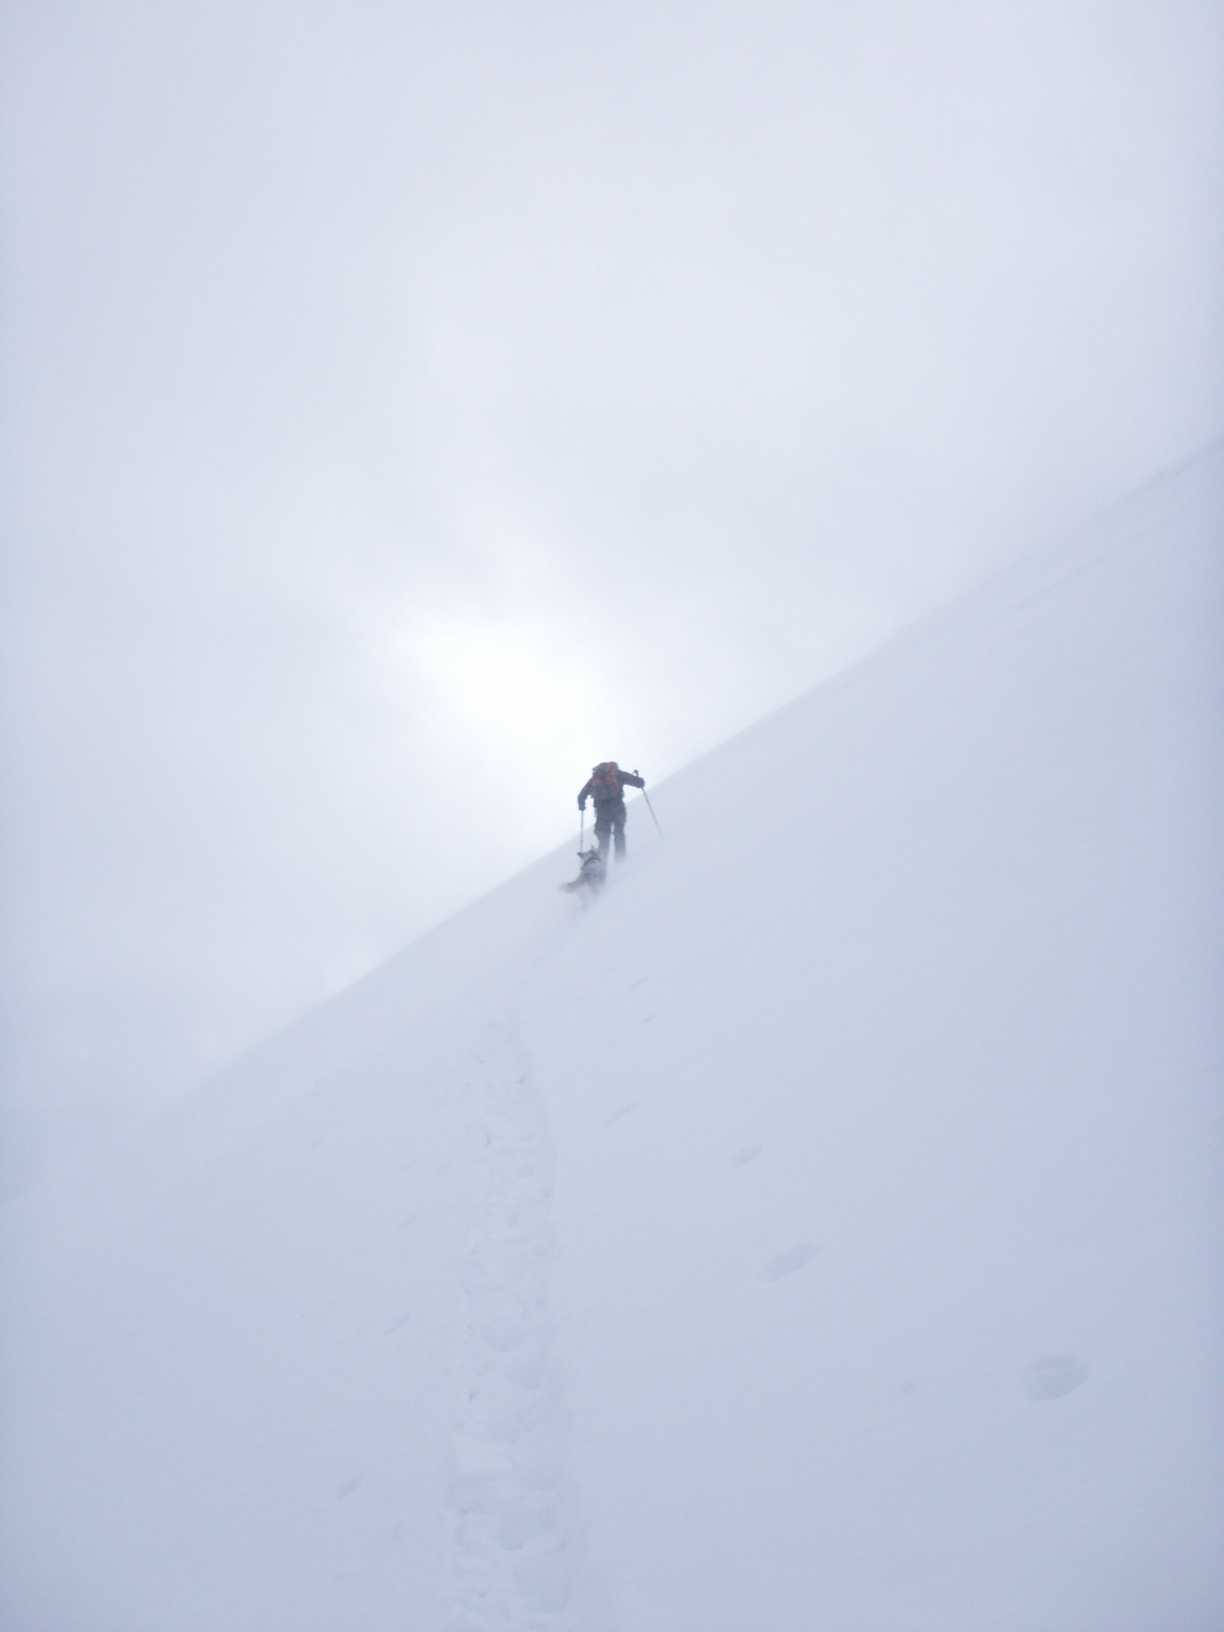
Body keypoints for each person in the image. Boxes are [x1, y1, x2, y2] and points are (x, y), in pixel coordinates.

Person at [577, 761, 646, 860]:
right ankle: (620, 859)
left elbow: (581, 795)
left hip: (602, 811)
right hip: (618, 808)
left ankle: (599, 862)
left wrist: (581, 805)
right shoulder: (617, 773)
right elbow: (637, 782)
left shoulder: (595, 778)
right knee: (619, 834)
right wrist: (640, 781)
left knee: (603, 837)